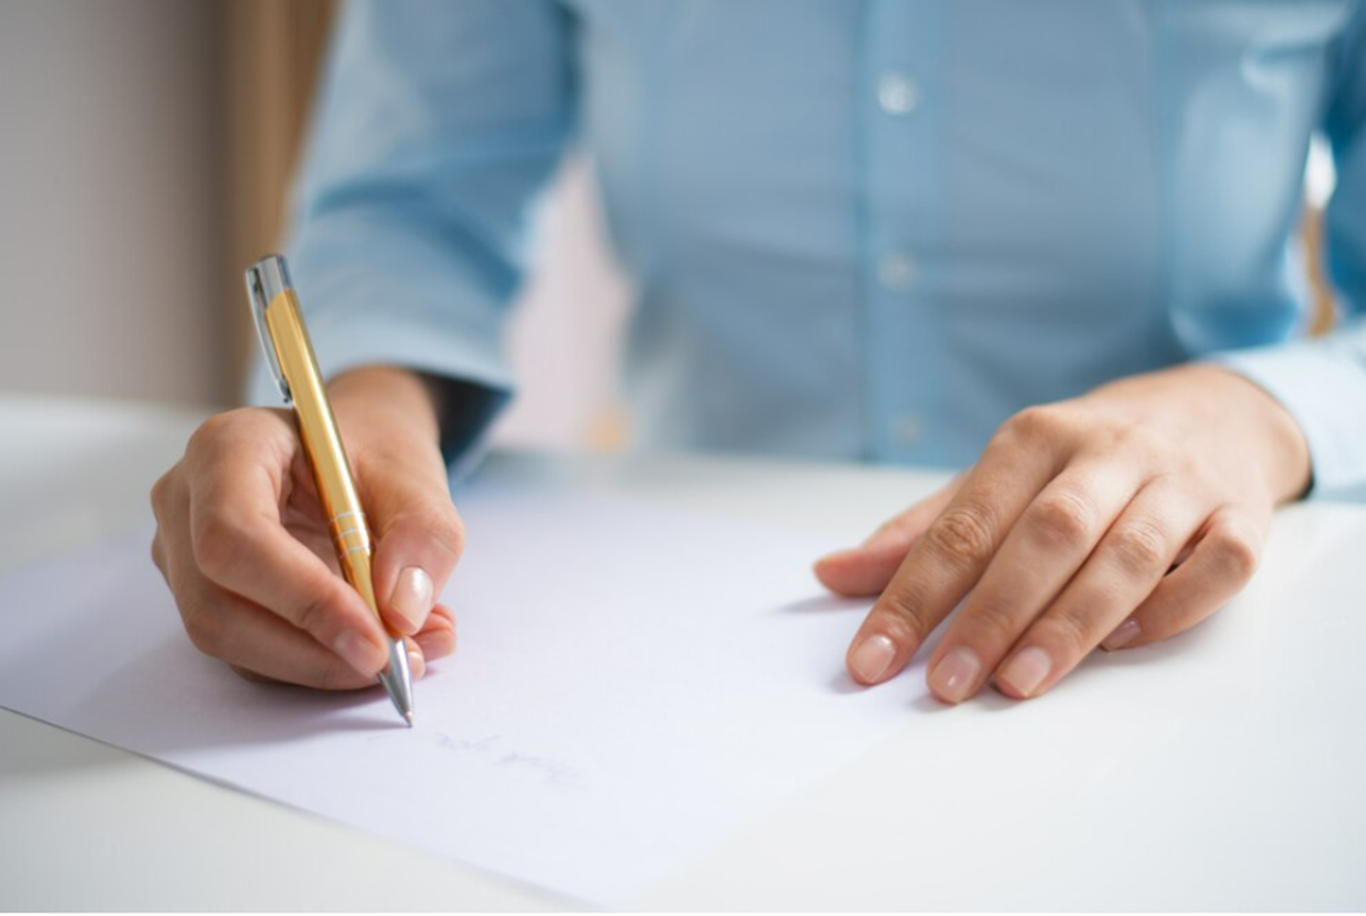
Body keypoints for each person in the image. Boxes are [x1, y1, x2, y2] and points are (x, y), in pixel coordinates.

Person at [151, 0, 1366, 704]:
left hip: (1213, 646)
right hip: (695, 626)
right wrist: (367, 397)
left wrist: (1256, 415)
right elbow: (409, 201)